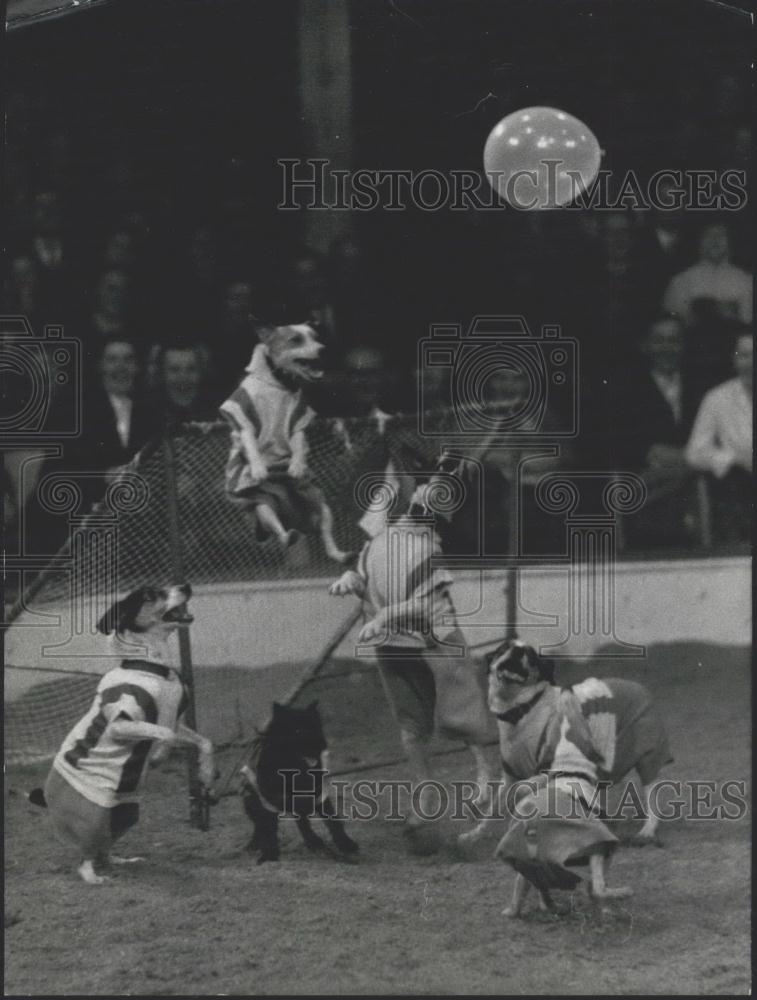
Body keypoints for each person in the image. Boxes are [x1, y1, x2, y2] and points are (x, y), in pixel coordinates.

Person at [686, 329, 752, 543]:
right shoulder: (717, 398)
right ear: (734, 359)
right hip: (741, 490)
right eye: (744, 355)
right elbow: (695, 453)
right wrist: (734, 458)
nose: (752, 362)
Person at [663, 223, 752, 326]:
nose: (715, 240)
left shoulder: (747, 281)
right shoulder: (680, 281)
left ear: (730, 241)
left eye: (721, 235)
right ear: (698, 242)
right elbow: (672, 323)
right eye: (708, 235)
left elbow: (748, 323)